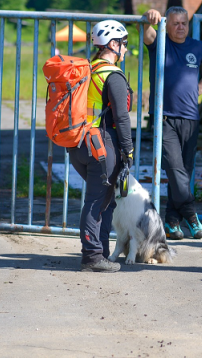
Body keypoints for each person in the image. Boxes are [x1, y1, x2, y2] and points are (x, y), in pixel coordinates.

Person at [143, 6, 202, 240]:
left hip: (190, 117)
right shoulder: (160, 44)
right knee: (176, 171)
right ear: (167, 25)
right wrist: (149, 18)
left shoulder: (197, 47)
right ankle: (190, 212)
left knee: (184, 173)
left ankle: (171, 221)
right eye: (175, 23)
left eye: (184, 23)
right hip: (164, 118)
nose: (180, 27)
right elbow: (147, 32)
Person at [69, 20, 134, 272]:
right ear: (113, 44)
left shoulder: (87, 69)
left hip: (78, 145)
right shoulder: (112, 75)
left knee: (105, 199)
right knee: (98, 200)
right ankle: (92, 257)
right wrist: (128, 150)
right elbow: (122, 117)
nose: (126, 50)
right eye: (124, 44)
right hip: (101, 145)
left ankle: (101, 252)